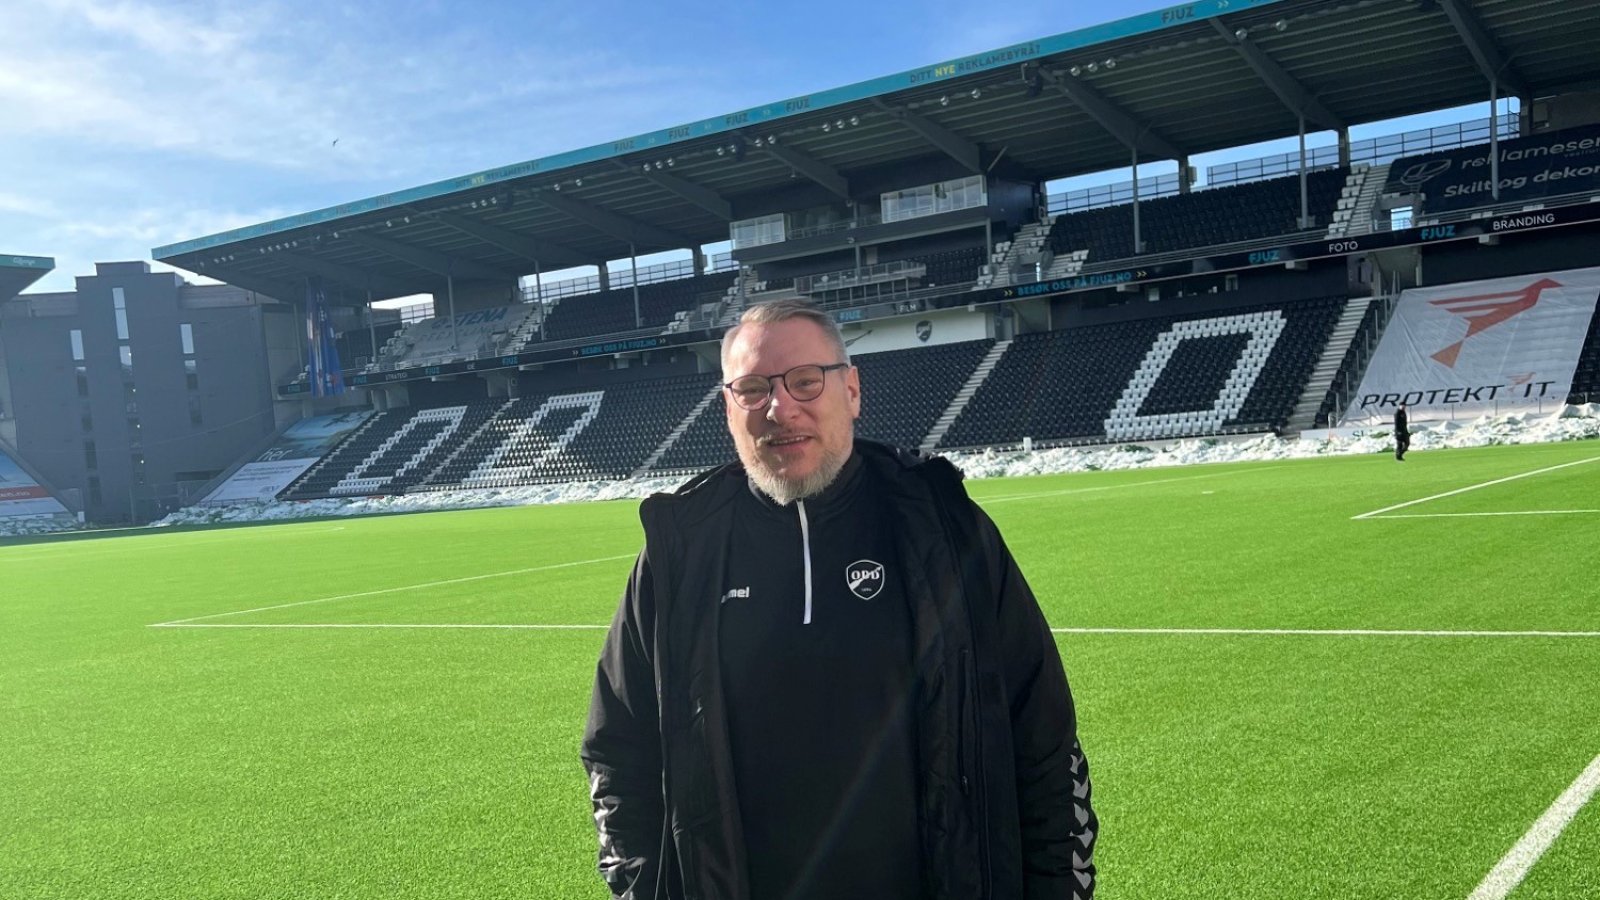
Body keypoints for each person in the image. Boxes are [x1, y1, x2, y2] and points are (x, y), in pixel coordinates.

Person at [581, 298, 1097, 900]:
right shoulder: (680, 553)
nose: (780, 408)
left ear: (851, 390)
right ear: (728, 408)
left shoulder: (948, 532)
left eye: (806, 381)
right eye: (752, 389)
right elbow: (617, 751)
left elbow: (1043, 739)